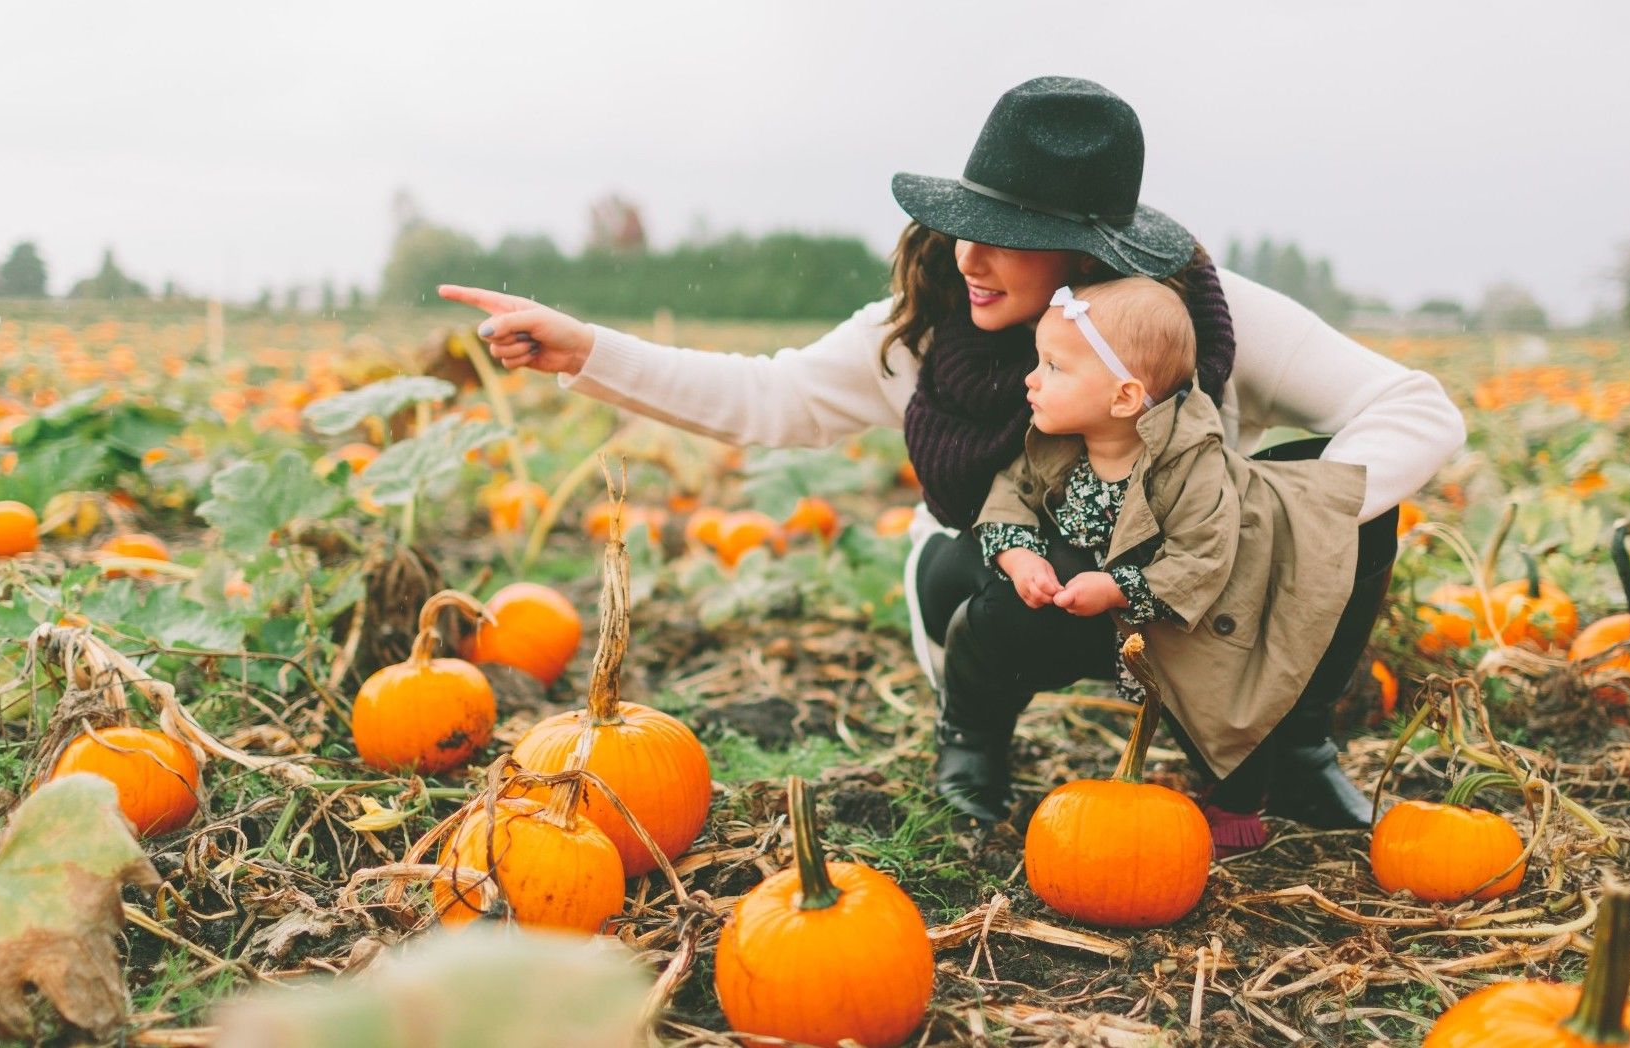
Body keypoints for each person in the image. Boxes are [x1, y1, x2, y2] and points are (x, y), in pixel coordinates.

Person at [437, 76, 1466, 845]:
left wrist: (1254, 521)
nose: (969, 254)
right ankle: (973, 743)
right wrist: (588, 349)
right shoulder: (928, 334)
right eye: (970, 223)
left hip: (1186, 601)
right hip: (1015, 596)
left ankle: (1292, 750)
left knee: (1341, 496)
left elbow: (1414, 409)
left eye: (1008, 235)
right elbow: (773, 396)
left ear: (1091, 249)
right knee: (970, 558)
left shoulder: (1195, 317)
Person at [967, 275, 1367, 854]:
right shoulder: (1059, 440)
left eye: (1053, 366)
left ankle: (1239, 801)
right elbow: (1012, 492)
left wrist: (1119, 587)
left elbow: (1204, 557)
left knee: (1222, 712)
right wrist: (1018, 551)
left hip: (1196, 616)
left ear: (1124, 398)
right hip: (1120, 620)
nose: (1031, 379)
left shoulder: (1191, 464)